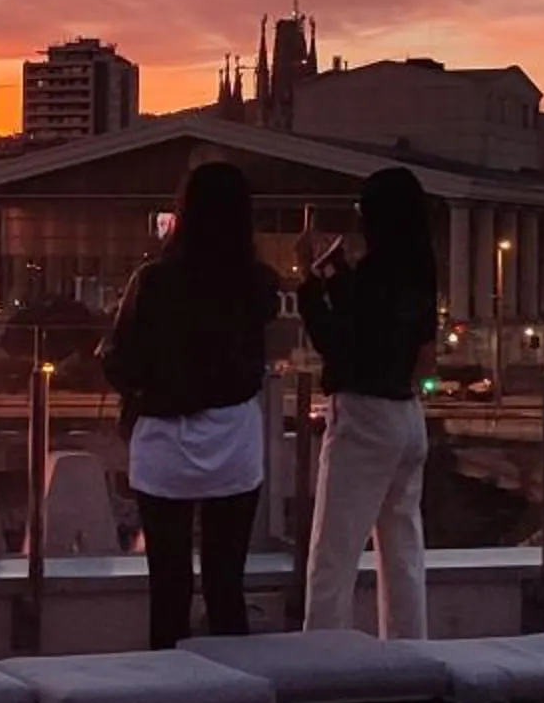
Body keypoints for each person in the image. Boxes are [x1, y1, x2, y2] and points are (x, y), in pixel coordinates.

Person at [102, 161, 281, 653]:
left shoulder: (154, 280)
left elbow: (119, 361)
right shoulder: (259, 283)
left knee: (169, 588)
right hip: (234, 440)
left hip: (165, 441)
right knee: (227, 586)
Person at [297, 166, 440, 639]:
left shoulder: (377, 273)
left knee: (332, 556)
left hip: (363, 416)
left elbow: (339, 342)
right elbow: (386, 328)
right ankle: (409, 679)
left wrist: (308, 286)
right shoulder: (419, 271)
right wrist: (336, 279)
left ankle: (322, 679)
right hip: (407, 416)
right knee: (402, 554)